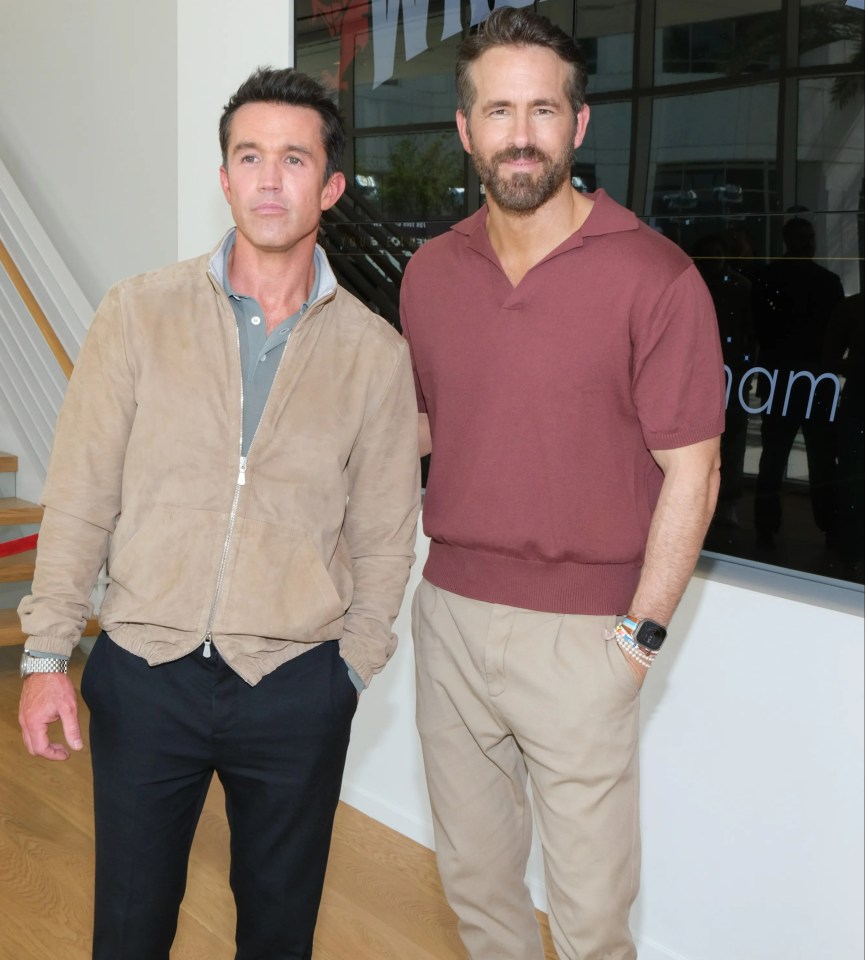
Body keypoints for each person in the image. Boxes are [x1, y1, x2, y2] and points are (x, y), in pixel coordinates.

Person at [18, 67, 420, 960]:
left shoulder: (374, 354)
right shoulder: (136, 315)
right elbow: (82, 494)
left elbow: (387, 536)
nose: (270, 179)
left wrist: (348, 670)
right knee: (127, 927)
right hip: (145, 672)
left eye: (293, 158)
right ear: (225, 177)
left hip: (294, 684)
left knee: (278, 934)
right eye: (250, 156)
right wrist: (46, 652)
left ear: (331, 186)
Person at [399, 9, 725, 960]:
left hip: (585, 638)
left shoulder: (654, 277)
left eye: (544, 109)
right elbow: (425, 427)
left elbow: (692, 473)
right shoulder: (429, 273)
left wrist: (637, 638)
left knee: (588, 921)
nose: (520, 133)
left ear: (578, 126)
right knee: (475, 888)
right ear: (465, 131)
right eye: (498, 110)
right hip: (449, 617)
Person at [751, 216, 845, 550]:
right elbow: (835, 334)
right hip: (815, 379)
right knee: (821, 457)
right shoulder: (827, 281)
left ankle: (766, 527)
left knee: (774, 456)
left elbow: (760, 328)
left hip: (781, 377)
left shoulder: (768, 278)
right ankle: (830, 528)